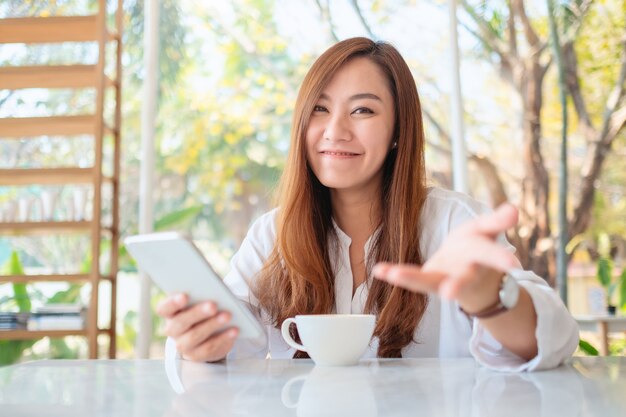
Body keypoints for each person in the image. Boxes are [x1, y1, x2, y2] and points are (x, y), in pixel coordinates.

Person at [157, 37, 578, 371]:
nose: (335, 131)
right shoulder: (272, 234)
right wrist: (198, 344)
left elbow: (554, 339)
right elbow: (228, 352)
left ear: (398, 130)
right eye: (319, 109)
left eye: (362, 110)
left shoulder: (452, 221)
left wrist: (490, 298)